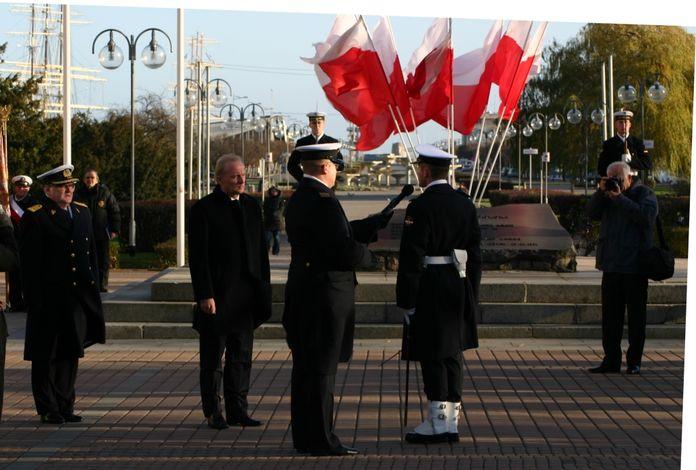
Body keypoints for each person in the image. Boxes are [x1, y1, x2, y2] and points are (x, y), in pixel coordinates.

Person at [283, 142, 388, 456]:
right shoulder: (323, 201)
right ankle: (322, 440)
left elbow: (330, 236)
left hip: (306, 293)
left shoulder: (303, 197)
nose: (338, 172)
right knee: (321, 373)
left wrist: (367, 226)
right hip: (324, 298)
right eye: (337, 167)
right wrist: (371, 258)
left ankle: (306, 437)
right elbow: (340, 249)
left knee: (306, 371)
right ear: (327, 166)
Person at [397, 144, 481, 444]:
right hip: (458, 284)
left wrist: (406, 300)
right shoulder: (465, 204)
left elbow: (411, 257)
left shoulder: (420, 207)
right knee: (453, 353)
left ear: (424, 170)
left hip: (431, 284)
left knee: (433, 353)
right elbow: (476, 254)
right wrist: (472, 292)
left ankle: (438, 422)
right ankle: (450, 421)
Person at [188, 154, 271, 430]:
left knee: (241, 357)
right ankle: (213, 411)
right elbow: (199, 258)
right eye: (235, 175)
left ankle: (239, 410)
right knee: (213, 358)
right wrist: (204, 294)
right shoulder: (204, 209)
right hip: (218, 297)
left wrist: (263, 289)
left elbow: (260, 253)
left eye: (243, 174)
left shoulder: (251, 205)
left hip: (245, 296)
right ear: (219, 178)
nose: (241, 179)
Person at [19, 164, 105, 424]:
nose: (69, 190)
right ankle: (48, 407)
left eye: (71, 186)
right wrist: (33, 300)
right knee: (46, 354)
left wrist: (94, 286)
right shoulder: (36, 216)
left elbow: (91, 255)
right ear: (47, 190)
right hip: (48, 298)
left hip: (76, 297)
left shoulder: (81, 212)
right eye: (62, 186)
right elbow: (30, 264)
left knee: (70, 351)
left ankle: (66, 404)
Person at [587, 161, 657, 375]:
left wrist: (620, 198)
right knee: (610, 318)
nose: (613, 182)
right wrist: (601, 193)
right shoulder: (606, 194)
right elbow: (591, 213)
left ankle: (634, 361)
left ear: (628, 178)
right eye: (610, 178)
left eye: (617, 178)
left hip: (635, 266)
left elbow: (645, 218)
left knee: (636, 318)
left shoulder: (644, 194)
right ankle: (611, 360)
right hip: (611, 265)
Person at [75, 170, 121, 292]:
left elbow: (114, 212)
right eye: (87, 177)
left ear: (97, 180)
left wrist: (115, 229)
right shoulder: (78, 193)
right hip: (83, 233)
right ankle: (88, 285)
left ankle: (102, 285)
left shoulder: (105, 193)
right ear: (84, 180)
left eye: (92, 178)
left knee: (103, 261)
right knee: (85, 261)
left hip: (101, 234)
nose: (90, 180)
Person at [286, 111, 343, 182]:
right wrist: (303, 179)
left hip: (327, 184)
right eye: (314, 123)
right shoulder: (302, 142)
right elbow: (292, 165)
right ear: (310, 124)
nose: (317, 125)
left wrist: (331, 178)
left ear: (324, 124)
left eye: (319, 123)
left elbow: (340, 164)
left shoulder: (332, 142)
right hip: (308, 185)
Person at [7, 175, 36, 311]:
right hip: (12, 243)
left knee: (29, 275)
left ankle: (29, 302)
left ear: (29, 188)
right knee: (14, 275)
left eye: (25, 186)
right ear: (14, 187)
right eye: (19, 186)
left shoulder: (34, 202)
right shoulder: (7, 202)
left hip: (29, 242)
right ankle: (15, 302)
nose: (22, 189)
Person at [597, 110, 651, 177]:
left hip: (633, 182)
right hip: (616, 181)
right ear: (616, 125)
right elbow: (601, 168)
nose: (623, 125)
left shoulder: (637, 143)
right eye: (620, 122)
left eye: (626, 122)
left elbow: (647, 163)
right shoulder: (609, 144)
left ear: (630, 125)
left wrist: (630, 163)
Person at [262, 186, 284, 255]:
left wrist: (276, 213)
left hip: (277, 222)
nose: (274, 192)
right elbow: (264, 209)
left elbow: (281, 209)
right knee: (267, 238)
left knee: (276, 238)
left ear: (278, 192)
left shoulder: (280, 200)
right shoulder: (267, 200)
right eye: (272, 191)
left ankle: (275, 251)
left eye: (275, 191)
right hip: (268, 222)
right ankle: (267, 250)